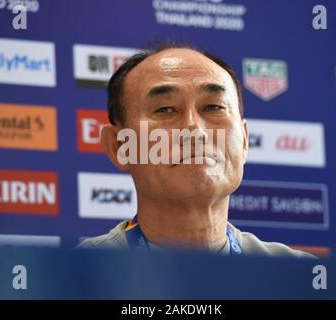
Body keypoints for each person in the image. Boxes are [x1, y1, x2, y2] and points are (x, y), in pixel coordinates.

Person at [78, 44, 314, 258]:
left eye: (213, 107)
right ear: (120, 146)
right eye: (165, 109)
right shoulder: (73, 279)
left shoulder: (301, 280)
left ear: (243, 141)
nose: (195, 129)